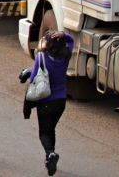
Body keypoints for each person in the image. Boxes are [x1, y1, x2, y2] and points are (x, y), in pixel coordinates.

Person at [29, 30, 74, 176]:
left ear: (47, 44)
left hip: (45, 101)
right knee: (51, 129)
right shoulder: (66, 56)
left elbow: (34, 78)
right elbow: (71, 40)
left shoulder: (41, 57)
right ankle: (50, 156)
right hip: (61, 101)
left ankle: (50, 153)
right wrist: (64, 35)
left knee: (44, 133)